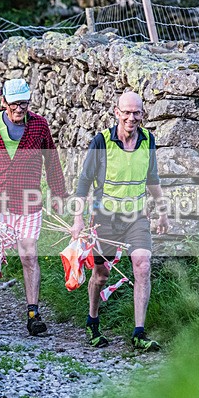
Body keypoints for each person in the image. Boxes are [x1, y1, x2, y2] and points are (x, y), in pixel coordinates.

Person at [0, 78, 69, 336]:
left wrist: (59, 194)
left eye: (24, 103)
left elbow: (52, 161)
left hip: (29, 204)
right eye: (15, 104)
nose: (20, 109)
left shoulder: (39, 126)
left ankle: (33, 313)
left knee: (29, 254)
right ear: (3, 102)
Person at [70, 91, 169, 351]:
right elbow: (83, 182)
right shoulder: (101, 141)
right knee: (101, 275)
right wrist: (78, 219)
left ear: (143, 114)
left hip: (136, 217)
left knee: (142, 264)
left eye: (137, 112)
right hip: (105, 218)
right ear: (116, 112)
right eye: (126, 112)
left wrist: (162, 211)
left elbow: (152, 180)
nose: (131, 117)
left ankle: (139, 332)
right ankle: (93, 320)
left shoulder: (148, 140)